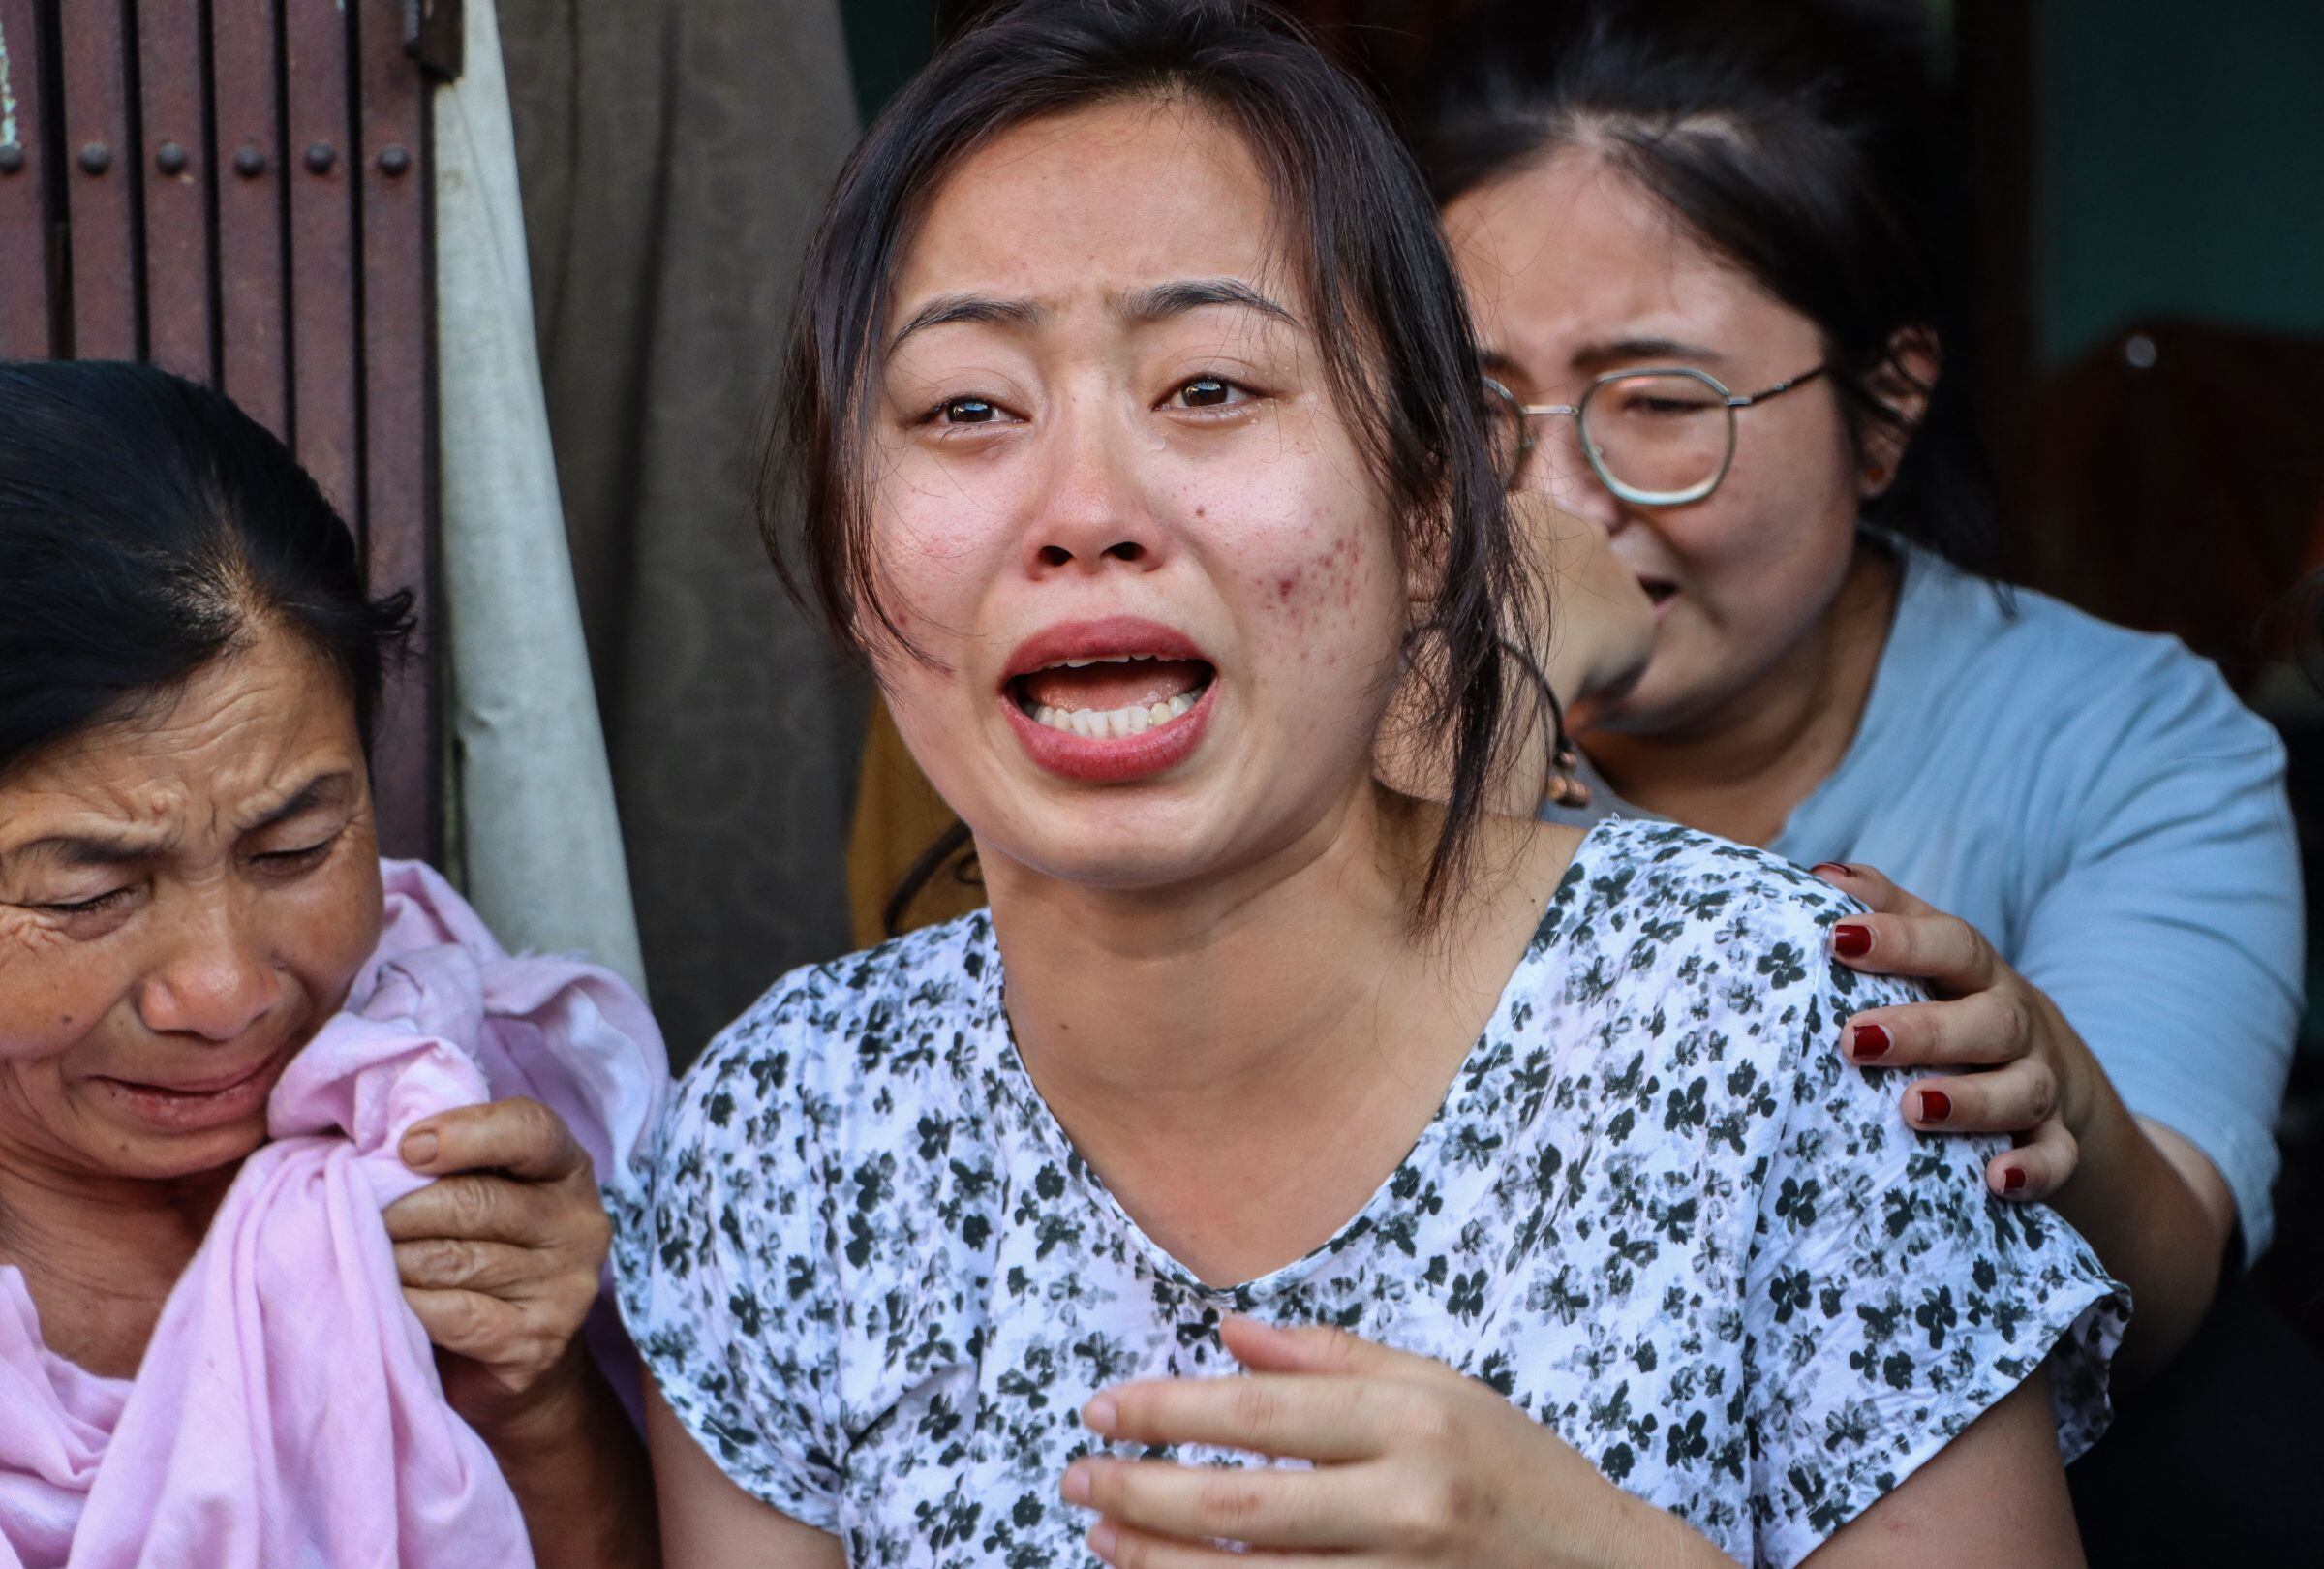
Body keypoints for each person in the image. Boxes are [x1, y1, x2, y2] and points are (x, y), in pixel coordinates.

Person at [614, 4, 2123, 1565]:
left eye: (1208, 386)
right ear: (854, 556)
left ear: (1428, 521)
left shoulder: (1771, 1034)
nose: (1084, 510)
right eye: (969, 409)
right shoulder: (784, 1138)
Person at [1408, 0, 2315, 1553]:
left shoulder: (2124, 739)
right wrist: (1497, 694)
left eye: (1662, 406)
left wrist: (2059, 1087)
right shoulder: (1335, 728)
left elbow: (2165, 1309)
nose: (1548, 503)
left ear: (1886, 407)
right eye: (1476, 409)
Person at [0, 360, 662, 1567]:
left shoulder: (484, 1100)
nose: (225, 991)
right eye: (86, 894)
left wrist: (539, 1394)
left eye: (296, 848)